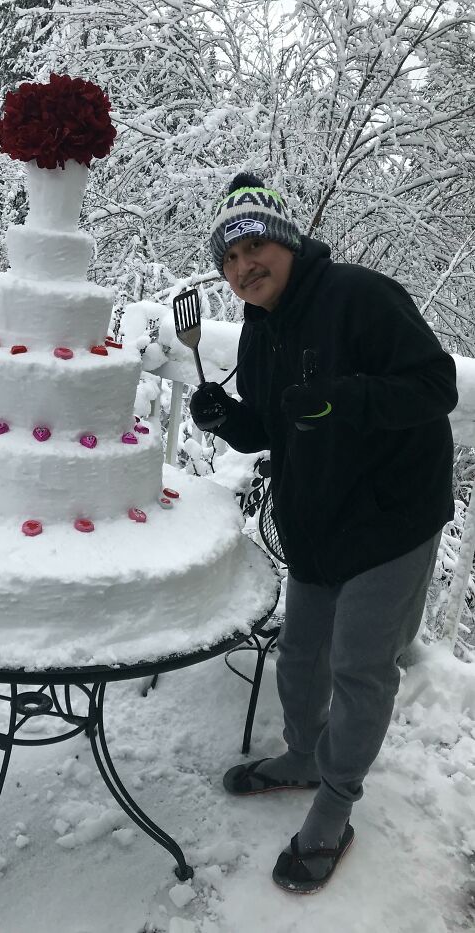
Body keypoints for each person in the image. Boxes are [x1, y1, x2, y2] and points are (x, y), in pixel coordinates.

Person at [190, 172, 458, 893]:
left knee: (360, 666)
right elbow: (278, 421)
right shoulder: (257, 332)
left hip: (390, 516)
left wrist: (343, 400)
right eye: (230, 259)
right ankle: (303, 754)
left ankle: (335, 805)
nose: (245, 266)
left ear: (286, 240)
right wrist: (227, 418)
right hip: (314, 517)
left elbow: (436, 386)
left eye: (255, 246)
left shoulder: (359, 297)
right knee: (300, 653)